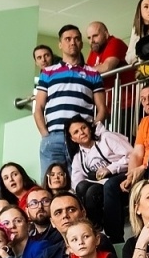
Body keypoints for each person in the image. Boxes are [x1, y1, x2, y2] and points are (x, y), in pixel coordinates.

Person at [34, 25, 105, 176]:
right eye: (68, 39)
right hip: (53, 137)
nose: (72, 42)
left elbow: (102, 108)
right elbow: (38, 107)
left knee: (79, 183)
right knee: (51, 186)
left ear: (81, 43)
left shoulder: (93, 73)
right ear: (60, 44)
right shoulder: (47, 73)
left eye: (77, 39)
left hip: (80, 140)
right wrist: (45, 135)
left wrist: (90, 133)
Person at [67, 116, 132, 240]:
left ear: (90, 128)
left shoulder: (107, 138)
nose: (81, 132)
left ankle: (115, 236)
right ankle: (95, 228)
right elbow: (76, 183)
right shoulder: (78, 158)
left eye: (83, 128)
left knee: (108, 186)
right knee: (83, 188)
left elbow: (132, 155)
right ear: (72, 139)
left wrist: (110, 169)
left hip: (122, 175)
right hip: (101, 184)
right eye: (76, 132)